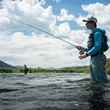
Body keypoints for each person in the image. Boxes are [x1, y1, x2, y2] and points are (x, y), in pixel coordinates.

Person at [76, 16, 109, 82]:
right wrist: (83, 49)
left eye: (87, 22)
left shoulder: (97, 33)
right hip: (94, 58)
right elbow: (93, 49)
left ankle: (105, 92)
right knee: (95, 80)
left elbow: (97, 47)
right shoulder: (93, 34)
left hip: (98, 58)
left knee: (101, 80)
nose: (86, 24)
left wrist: (86, 54)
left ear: (92, 23)